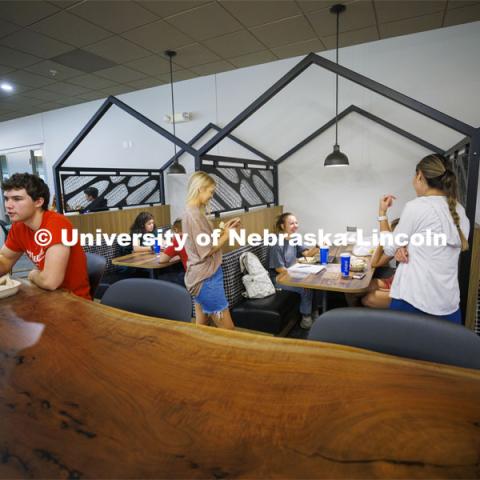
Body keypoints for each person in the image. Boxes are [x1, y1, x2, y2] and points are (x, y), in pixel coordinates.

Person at [382, 154, 469, 323]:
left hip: (413, 303)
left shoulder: (417, 207)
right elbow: (435, 248)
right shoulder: (460, 211)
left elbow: (388, 248)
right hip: (449, 307)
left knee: (399, 350)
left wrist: (382, 215)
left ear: (420, 175)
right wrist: (408, 247)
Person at [0, 173, 91, 299]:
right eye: (6, 199)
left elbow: (50, 281)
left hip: (74, 302)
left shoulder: (57, 224)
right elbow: (5, 259)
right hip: (44, 296)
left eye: (17, 199)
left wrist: (32, 274)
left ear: (38, 202)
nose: (8, 205)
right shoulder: (19, 226)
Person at [183, 171, 240, 330]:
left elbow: (204, 243)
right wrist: (227, 236)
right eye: (211, 192)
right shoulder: (194, 215)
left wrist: (225, 230)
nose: (211, 196)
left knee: (202, 327)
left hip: (203, 276)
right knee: (228, 331)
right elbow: (206, 250)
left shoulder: (193, 213)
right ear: (200, 189)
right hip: (206, 279)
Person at [269, 212, 320, 329]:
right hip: (278, 279)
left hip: (291, 273)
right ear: (283, 226)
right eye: (291, 223)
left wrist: (318, 247)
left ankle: (315, 313)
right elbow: (279, 269)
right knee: (305, 286)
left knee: (316, 282)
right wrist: (300, 276)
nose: (295, 226)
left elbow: (307, 254)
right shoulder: (277, 243)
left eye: (296, 223)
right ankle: (306, 319)